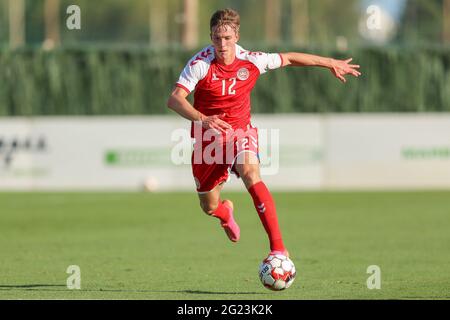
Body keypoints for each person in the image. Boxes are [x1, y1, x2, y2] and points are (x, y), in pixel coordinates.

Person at [167, 8, 361, 258]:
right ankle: (225, 213)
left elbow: (289, 58)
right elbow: (174, 100)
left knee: (250, 173)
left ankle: (278, 249)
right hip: (208, 139)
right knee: (209, 205)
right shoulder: (200, 64)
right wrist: (203, 119)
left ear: (236, 36)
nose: (222, 44)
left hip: (240, 132)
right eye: (216, 38)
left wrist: (329, 63)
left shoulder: (252, 60)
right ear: (211, 37)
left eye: (227, 38)